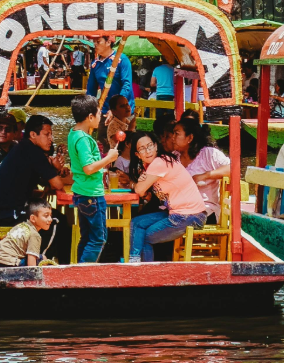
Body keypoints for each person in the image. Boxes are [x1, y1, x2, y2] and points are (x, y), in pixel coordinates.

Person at [128, 131, 209, 262]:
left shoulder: (159, 162)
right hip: (178, 213)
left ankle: (142, 273)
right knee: (136, 223)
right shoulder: (151, 166)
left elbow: (139, 190)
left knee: (143, 237)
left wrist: (136, 184)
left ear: (156, 146)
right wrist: (141, 181)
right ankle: (135, 262)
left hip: (189, 216)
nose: (148, 151)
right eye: (142, 149)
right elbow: (142, 192)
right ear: (137, 155)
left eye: (150, 146)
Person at [0, 114, 70, 226]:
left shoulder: (24, 147)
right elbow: (57, 184)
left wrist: (55, 170)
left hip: (2, 213)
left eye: (51, 135)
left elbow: (48, 183)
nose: (50, 139)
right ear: (33, 134)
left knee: (56, 216)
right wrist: (72, 178)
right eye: (47, 134)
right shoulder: (33, 152)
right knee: (58, 221)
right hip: (9, 215)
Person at [68, 94, 119, 264]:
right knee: (98, 239)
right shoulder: (83, 139)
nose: (101, 116)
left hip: (83, 192)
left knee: (87, 237)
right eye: (98, 113)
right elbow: (88, 168)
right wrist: (109, 158)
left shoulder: (73, 133)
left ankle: (78, 272)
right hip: (91, 195)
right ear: (90, 117)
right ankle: (83, 273)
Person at [171, 117, 231, 219]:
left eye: (177, 134)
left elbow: (232, 169)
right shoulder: (174, 157)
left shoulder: (208, 154)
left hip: (205, 211)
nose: (173, 137)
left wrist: (205, 175)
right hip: (179, 210)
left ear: (190, 138)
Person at [0, 201, 54, 268]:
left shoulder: (19, 226)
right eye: (46, 216)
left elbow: (4, 238)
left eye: (50, 216)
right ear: (33, 218)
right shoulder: (35, 235)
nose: (50, 219)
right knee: (42, 259)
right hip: (8, 263)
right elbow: (31, 266)